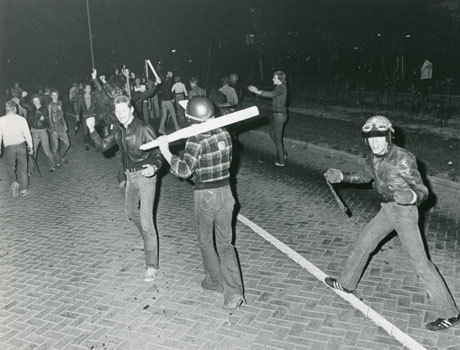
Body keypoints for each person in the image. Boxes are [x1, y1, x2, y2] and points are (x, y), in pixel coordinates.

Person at [323, 115, 460, 331]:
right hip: (387, 209)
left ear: (388, 137)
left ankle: (450, 314)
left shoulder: (403, 158)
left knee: (420, 263)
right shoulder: (371, 158)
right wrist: (341, 176)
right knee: (363, 245)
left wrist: (411, 197)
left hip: (405, 213)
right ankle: (347, 283)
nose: (375, 142)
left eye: (379, 137)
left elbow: (423, 190)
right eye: (370, 138)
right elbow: (364, 177)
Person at [156, 96, 245, 310]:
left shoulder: (195, 139)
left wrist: (166, 152)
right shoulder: (224, 132)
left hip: (206, 194)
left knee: (205, 240)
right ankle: (234, 293)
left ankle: (215, 281)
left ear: (191, 118)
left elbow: (184, 170)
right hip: (226, 191)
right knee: (226, 244)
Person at [86, 94, 164, 282]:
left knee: (147, 221)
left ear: (131, 109)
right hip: (130, 176)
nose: (121, 114)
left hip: (146, 177)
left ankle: (152, 265)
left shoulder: (144, 128)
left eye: (124, 110)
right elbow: (103, 146)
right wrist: (91, 129)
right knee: (130, 212)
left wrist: (153, 167)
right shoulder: (119, 130)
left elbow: (158, 152)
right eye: (117, 111)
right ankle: (146, 238)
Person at [248, 71, 288, 167]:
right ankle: (283, 153)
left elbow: (272, 94)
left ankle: (281, 161)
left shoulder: (281, 87)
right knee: (272, 133)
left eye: (274, 78)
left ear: (279, 79)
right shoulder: (279, 87)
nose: (272, 79)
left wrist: (257, 91)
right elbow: (271, 93)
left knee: (278, 139)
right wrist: (258, 92)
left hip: (279, 116)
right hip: (277, 115)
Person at [0, 101, 34, 198]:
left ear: (6, 109)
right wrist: (31, 147)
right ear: (15, 109)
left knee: (10, 168)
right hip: (21, 146)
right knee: (23, 168)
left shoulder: (1, 120)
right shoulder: (21, 119)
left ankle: (14, 183)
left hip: (9, 147)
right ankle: (24, 189)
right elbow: (27, 134)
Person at [27, 94, 57, 172]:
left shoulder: (44, 109)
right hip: (34, 132)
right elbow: (22, 104)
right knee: (32, 151)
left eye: (37, 100)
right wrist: (23, 97)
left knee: (47, 151)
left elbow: (48, 120)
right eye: (34, 101)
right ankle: (31, 169)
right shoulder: (31, 109)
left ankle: (53, 165)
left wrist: (44, 119)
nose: (36, 102)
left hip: (42, 131)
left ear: (40, 101)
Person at [48, 89, 70, 167]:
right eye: (53, 95)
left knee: (67, 143)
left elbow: (62, 115)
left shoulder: (60, 103)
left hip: (61, 126)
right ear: (51, 96)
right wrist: (53, 130)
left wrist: (65, 124)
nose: (55, 97)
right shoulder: (50, 105)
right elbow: (50, 118)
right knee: (55, 146)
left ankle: (60, 157)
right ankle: (57, 161)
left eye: (56, 95)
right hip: (54, 126)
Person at [75, 83, 98, 150]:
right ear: (84, 89)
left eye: (90, 88)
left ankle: (95, 143)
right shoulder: (81, 98)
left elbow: (97, 106)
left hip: (93, 115)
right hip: (85, 115)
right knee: (85, 132)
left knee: (93, 131)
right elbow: (79, 107)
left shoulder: (93, 96)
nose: (89, 89)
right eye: (88, 88)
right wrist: (77, 115)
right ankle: (87, 143)